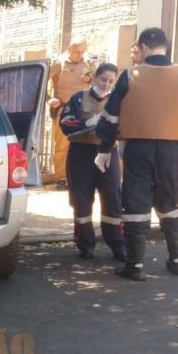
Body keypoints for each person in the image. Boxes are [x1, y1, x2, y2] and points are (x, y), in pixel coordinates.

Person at [95, 27, 178, 281]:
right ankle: (177, 259)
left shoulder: (131, 75)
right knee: (169, 201)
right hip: (172, 149)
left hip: (138, 147)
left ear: (142, 47)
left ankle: (135, 265)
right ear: (166, 46)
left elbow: (110, 116)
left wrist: (104, 148)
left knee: (136, 203)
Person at [59, 63, 126, 261]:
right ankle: (85, 243)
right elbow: (65, 122)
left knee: (113, 198)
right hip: (81, 153)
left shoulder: (117, 100)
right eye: (103, 79)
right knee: (81, 199)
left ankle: (117, 244)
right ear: (95, 77)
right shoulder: (79, 98)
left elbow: (127, 126)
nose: (107, 84)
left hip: (108, 152)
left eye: (111, 81)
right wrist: (86, 123)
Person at [47, 37, 95, 189]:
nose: (79, 55)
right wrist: (50, 99)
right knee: (62, 146)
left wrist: (90, 80)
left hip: (84, 111)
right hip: (64, 110)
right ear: (69, 49)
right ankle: (61, 178)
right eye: (76, 52)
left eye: (82, 52)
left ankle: (81, 176)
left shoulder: (88, 64)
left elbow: (101, 83)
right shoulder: (58, 63)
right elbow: (41, 84)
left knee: (85, 145)